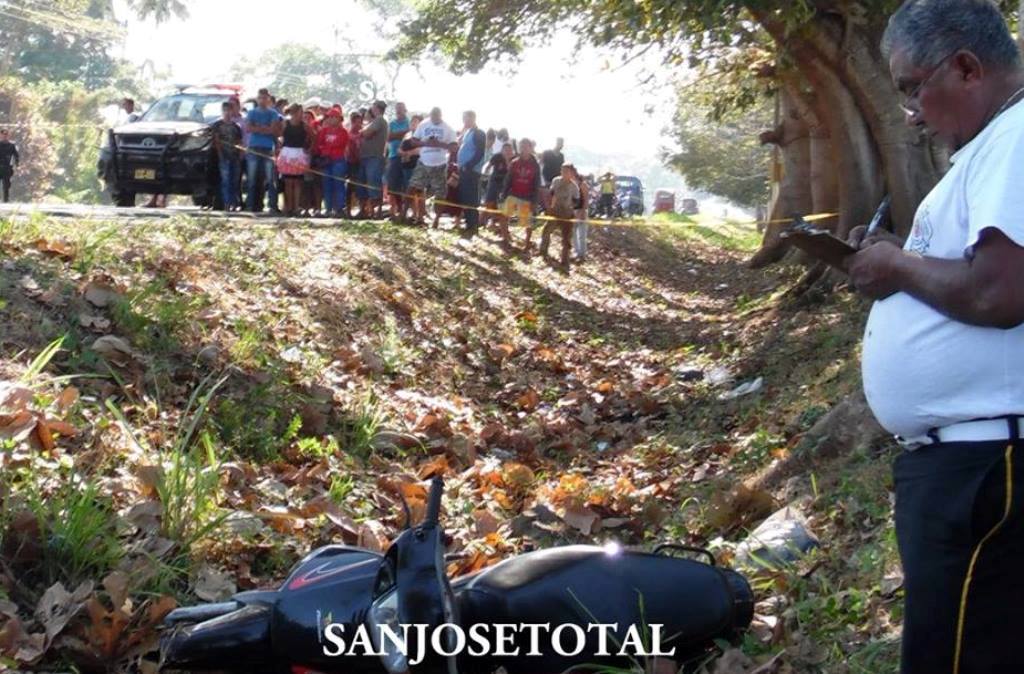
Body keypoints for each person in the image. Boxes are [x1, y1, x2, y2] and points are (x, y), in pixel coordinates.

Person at [843, 2, 1024, 672]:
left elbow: (999, 291)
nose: (911, 113)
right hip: (966, 465)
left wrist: (895, 264)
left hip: (985, 471)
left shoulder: (1018, 138)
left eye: (912, 87)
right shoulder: (991, 149)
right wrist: (897, 261)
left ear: (967, 68)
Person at [407, 107, 457, 227]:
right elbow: (413, 141)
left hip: (440, 164)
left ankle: (436, 220)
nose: (435, 118)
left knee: (440, 194)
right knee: (412, 187)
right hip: (423, 162)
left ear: (441, 115)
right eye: (433, 116)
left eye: (437, 116)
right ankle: (405, 213)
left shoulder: (448, 128)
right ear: (430, 115)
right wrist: (425, 143)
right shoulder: (423, 124)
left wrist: (439, 144)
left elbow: (454, 147)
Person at [501, 138, 543, 254]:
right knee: (503, 216)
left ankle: (527, 244)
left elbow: (537, 183)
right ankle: (505, 239)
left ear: (530, 148)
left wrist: (534, 201)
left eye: (525, 146)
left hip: (527, 196)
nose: (523, 149)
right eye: (521, 146)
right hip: (513, 194)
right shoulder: (514, 163)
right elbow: (508, 179)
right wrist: (504, 193)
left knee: (527, 222)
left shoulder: (535, 165)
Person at [245, 88, 283, 213]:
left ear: (268, 99)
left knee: (271, 179)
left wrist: (258, 127)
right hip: (253, 147)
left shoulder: (273, 113)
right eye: (260, 97)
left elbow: (273, 129)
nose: (262, 100)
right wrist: (264, 128)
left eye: (265, 98)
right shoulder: (251, 113)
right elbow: (249, 128)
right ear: (257, 98)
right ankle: (251, 205)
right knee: (252, 178)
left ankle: (273, 205)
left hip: (268, 148)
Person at [540, 163, 579, 269]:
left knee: (566, 238)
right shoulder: (556, 181)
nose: (564, 173)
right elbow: (551, 194)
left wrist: (571, 210)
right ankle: (543, 251)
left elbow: (576, 202)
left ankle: (565, 259)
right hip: (555, 211)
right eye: (562, 171)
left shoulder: (574, 186)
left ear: (571, 173)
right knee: (546, 231)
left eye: (566, 171)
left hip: (567, 213)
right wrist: (549, 207)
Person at [277, 103, 314, 216]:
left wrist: (309, 149)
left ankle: (296, 207)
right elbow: (278, 135)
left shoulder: (305, 126)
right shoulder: (285, 124)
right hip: (287, 153)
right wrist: (280, 147)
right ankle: (289, 207)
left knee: (298, 182)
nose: (301, 114)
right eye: (300, 112)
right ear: (294, 112)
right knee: (288, 182)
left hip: (299, 154)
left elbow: (313, 137)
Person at [456, 110, 487, 237]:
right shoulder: (467, 132)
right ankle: (468, 224)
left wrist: (468, 166)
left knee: (472, 198)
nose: (465, 121)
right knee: (465, 197)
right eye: (464, 119)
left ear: (473, 118)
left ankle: (473, 226)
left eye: (467, 119)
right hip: (463, 170)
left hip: (472, 171)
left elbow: (479, 153)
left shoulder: (479, 133)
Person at [315, 108, 349, 218]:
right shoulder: (323, 131)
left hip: (338, 160)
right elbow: (319, 144)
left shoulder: (343, 132)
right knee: (327, 185)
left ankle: (339, 208)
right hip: (326, 161)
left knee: (338, 184)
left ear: (339, 119)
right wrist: (324, 150)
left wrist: (327, 148)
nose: (331, 119)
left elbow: (340, 144)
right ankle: (328, 209)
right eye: (329, 117)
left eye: (334, 117)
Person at [359, 100, 388, 219]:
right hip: (366, 156)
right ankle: (366, 210)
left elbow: (367, 134)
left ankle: (376, 211)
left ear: (376, 108)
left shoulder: (380, 120)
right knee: (364, 183)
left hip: (374, 156)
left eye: (373, 106)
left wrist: (362, 131)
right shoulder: (374, 121)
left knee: (373, 183)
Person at [211, 102, 243, 211]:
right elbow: (216, 141)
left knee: (234, 181)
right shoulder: (217, 125)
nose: (227, 113)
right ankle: (226, 204)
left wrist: (240, 155)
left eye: (229, 110)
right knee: (226, 180)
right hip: (224, 156)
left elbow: (239, 142)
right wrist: (220, 155)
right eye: (225, 110)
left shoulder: (236, 127)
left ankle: (234, 203)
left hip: (235, 156)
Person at [386, 102, 411, 222]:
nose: (398, 111)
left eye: (401, 109)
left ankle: (405, 211)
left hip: (406, 157)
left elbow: (410, 137)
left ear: (405, 110)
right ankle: (396, 209)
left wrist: (398, 135)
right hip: (393, 156)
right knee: (393, 184)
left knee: (406, 184)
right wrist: (403, 133)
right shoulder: (392, 123)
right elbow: (389, 137)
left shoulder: (409, 122)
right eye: (397, 109)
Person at [396, 114, 423, 224]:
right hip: (406, 166)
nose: (413, 124)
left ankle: (420, 216)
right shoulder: (407, 136)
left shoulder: (422, 136)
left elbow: (421, 150)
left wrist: (409, 153)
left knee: (418, 191)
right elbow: (399, 149)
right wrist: (403, 153)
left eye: (415, 122)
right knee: (408, 189)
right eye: (412, 122)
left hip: (417, 166)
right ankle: (414, 213)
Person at [482, 142, 513, 237]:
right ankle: (484, 222)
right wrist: (485, 173)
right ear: (502, 149)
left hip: (505, 185)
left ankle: (503, 228)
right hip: (494, 182)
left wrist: (507, 160)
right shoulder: (497, 156)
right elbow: (488, 165)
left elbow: (510, 170)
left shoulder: (514, 159)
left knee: (503, 207)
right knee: (489, 203)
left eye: (509, 150)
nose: (507, 152)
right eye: (505, 149)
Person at [433, 143, 461, 229]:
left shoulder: (460, 156)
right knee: (441, 201)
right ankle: (436, 219)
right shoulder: (446, 155)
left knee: (457, 202)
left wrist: (454, 177)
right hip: (445, 181)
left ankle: (457, 222)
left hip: (455, 182)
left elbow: (459, 168)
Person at [345, 111, 364, 219]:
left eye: (360, 122)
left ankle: (362, 209)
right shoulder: (349, 134)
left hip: (361, 162)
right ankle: (348, 210)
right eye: (356, 122)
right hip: (351, 162)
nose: (359, 124)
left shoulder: (362, 134)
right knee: (350, 186)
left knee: (361, 186)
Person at [569, 165, 590, 262]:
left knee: (582, 234)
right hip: (571, 211)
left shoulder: (582, 184)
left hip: (581, 211)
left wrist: (582, 211)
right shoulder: (569, 184)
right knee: (573, 233)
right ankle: (576, 252)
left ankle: (582, 254)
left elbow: (586, 200)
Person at [0, 130, 20, 203]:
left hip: (7, 167)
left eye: (6, 135)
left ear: (8, 136)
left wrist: (17, 164)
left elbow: (16, 155)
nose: (4, 136)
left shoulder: (11, 145)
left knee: (6, 185)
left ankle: (6, 200)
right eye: (3, 135)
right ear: (0, 135)